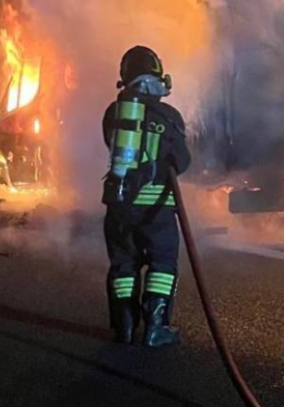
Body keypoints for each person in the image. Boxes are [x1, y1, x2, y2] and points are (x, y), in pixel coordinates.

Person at [102, 45, 191, 346]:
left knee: (123, 266)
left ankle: (124, 326)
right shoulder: (169, 115)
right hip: (156, 210)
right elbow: (183, 160)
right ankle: (156, 327)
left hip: (119, 205)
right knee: (162, 263)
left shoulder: (114, 112)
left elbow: (110, 145)